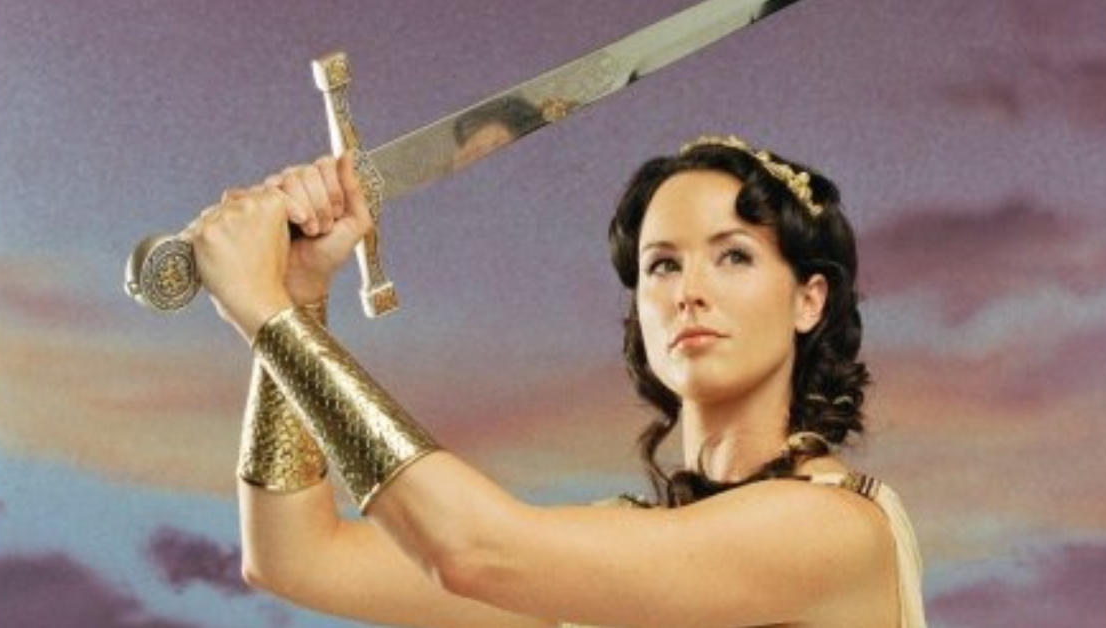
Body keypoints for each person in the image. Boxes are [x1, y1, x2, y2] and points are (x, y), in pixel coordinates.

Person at [184, 135, 928, 628]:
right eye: (662, 265)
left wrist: (267, 314)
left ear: (809, 300)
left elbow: (474, 553)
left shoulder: (833, 529)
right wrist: (302, 301)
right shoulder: (630, 549)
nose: (689, 291)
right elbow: (296, 559)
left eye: (734, 256)